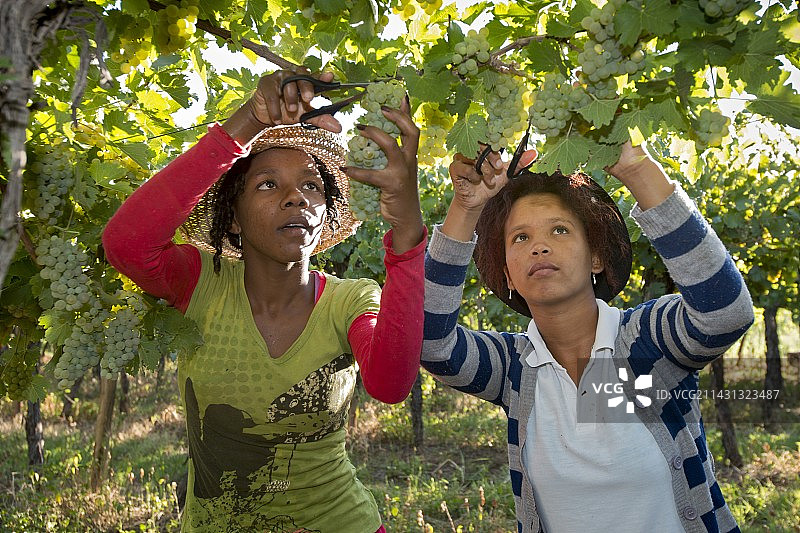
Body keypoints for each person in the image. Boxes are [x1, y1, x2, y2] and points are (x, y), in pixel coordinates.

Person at [102, 70, 427, 533]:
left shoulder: (349, 300)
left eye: (312, 186)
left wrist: (408, 231)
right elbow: (126, 244)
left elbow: (390, 384)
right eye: (268, 185)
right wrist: (249, 121)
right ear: (232, 218)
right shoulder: (201, 283)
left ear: (325, 214)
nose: (297, 197)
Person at [421, 142, 754, 533]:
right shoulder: (515, 369)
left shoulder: (646, 343)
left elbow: (725, 315)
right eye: (520, 238)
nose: (539, 246)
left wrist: (635, 168)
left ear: (596, 258)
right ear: (508, 275)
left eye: (560, 230)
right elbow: (431, 344)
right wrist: (465, 208)